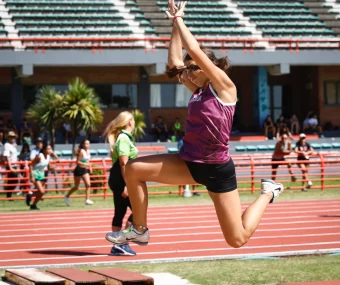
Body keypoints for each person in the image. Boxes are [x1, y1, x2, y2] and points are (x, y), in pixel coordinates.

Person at [105, 1, 284, 249]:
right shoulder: (198, 90)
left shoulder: (224, 86)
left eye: (192, 69)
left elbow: (195, 50)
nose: (187, 73)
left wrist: (179, 19)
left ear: (207, 67)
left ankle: (268, 192)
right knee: (134, 169)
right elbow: (174, 63)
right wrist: (174, 28)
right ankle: (140, 230)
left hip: (216, 168)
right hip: (188, 163)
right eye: (188, 70)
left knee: (237, 239)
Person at [103, 111, 137, 256]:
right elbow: (123, 163)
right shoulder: (123, 138)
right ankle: (122, 243)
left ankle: (117, 246)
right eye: (133, 120)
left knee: (120, 212)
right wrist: (128, 184)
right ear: (130, 122)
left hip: (118, 178)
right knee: (138, 210)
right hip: (121, 179)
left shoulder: (122, 137)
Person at [64, 139, 93, 206]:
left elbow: (87, 160)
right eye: (86, 144)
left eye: (89, 144)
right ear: (83, 145)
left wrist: (90, 167)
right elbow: (77, 162)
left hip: (84, 170)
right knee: (76, 187)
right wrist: (86, 165)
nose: (88, 145)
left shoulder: (88, 151)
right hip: (78, 170)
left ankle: (87, 200)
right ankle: (67, 196)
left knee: (88, 184)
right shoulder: (82, 152)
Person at [26, 144, 55, 210]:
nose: (50, 150)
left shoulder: (48, 157)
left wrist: (53, 167)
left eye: (50, 149)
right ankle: (29, 196)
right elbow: (30, 165)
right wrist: (31, 176)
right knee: (41, 191)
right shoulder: (39, 156)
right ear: (44, 150)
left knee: (41, 193)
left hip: (41, 175)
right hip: (35, 174)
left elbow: (48, 167)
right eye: (48, 149)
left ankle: (33, 205)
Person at [3, 131, 19, 199]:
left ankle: (9, 195)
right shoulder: (7, 145)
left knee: (15, 181)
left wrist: (17, 165)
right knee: (12, 181)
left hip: (15, 164)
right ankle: (8, 195)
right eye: (11, 137)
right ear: (8, 138)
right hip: (11, 165)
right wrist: (10, 167)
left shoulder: (14, 145)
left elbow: (15, 156)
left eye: (14, 137)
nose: (13, 138)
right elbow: (7, 157)